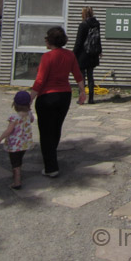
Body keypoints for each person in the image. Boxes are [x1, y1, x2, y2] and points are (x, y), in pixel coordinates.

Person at [30, 26, 85, 177]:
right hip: (64, 96)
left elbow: (40, 80)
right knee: (55, 129)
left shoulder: (47, 57)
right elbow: (77, 74)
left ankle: (51, 167)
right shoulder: (70, 55)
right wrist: (82, 91)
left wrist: (29, 98)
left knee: (45, 132)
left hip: (47, 97)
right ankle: (51, 158)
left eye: (46, 38)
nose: (45, 41)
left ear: (51, 40)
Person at [0, 91, 34, 189]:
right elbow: (32, 120)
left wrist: (0, 138)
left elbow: (9, 130)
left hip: (14, 145)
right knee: (19, 160)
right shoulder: (29, 114)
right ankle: (17, 174)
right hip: (25, 143)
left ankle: (17, 181)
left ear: (15, 103)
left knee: (15, 163)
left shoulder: (14, 117)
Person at [73, 7, 102, 104]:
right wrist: (100, 51)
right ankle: (91, 98)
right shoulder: (96, 24)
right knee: (90, 76)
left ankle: (81, 99)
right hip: (93, 53)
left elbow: (79, 42)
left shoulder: (83, 25)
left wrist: (73, 54)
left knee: (81, 77)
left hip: (83, 54)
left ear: (84, 14)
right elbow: (98, 39)